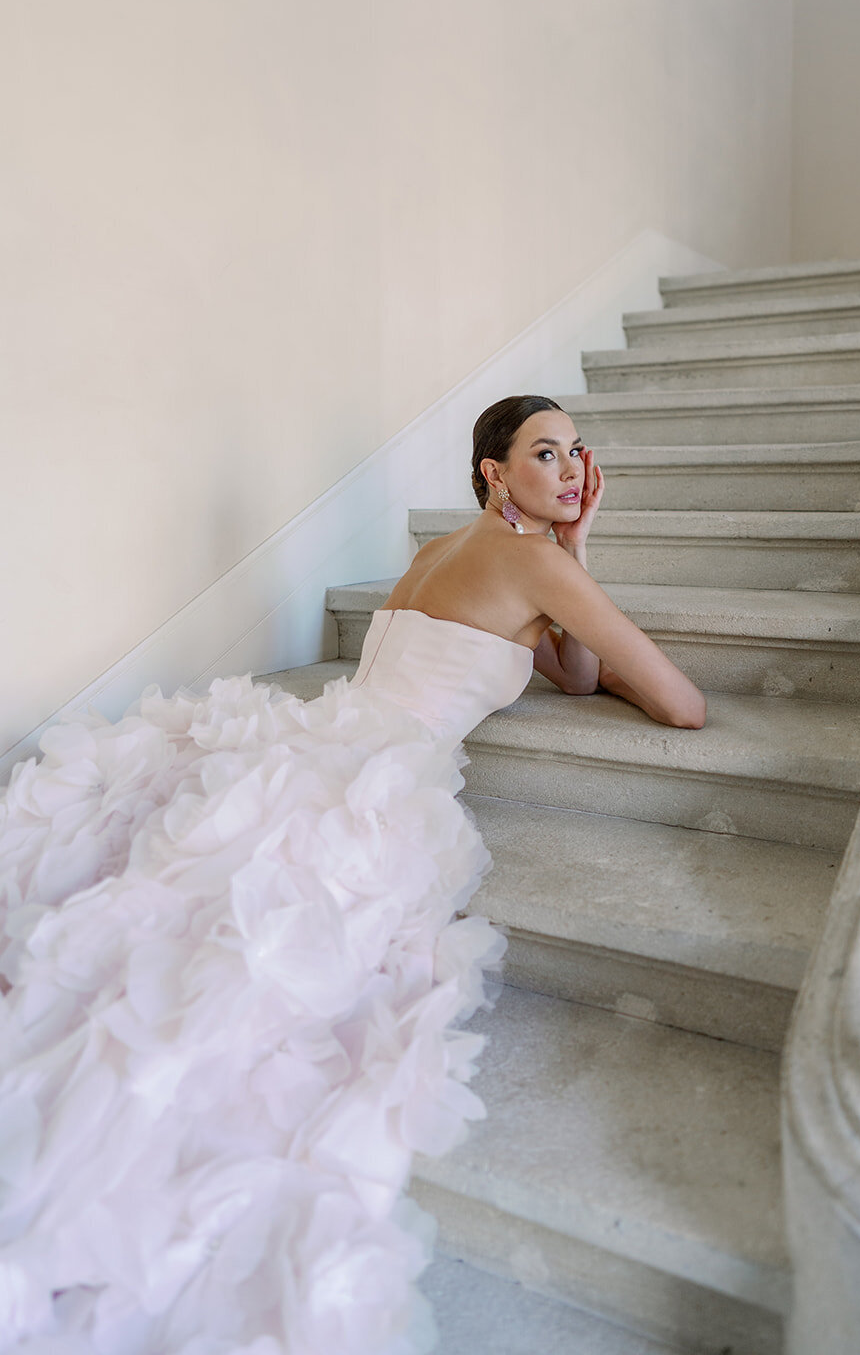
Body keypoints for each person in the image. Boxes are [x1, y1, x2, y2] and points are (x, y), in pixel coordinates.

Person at [0, 395, 704, 1354]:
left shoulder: (448, 550)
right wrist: (568, 564)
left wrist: (574, 552)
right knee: (243, 964)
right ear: (495, 471)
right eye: (546, 453)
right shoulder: (529, 562)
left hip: (324, 730)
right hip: (378, 774)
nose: (573, 469)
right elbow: (679, 704)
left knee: (175, 897)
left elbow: (572, 675)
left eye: (578, 451)